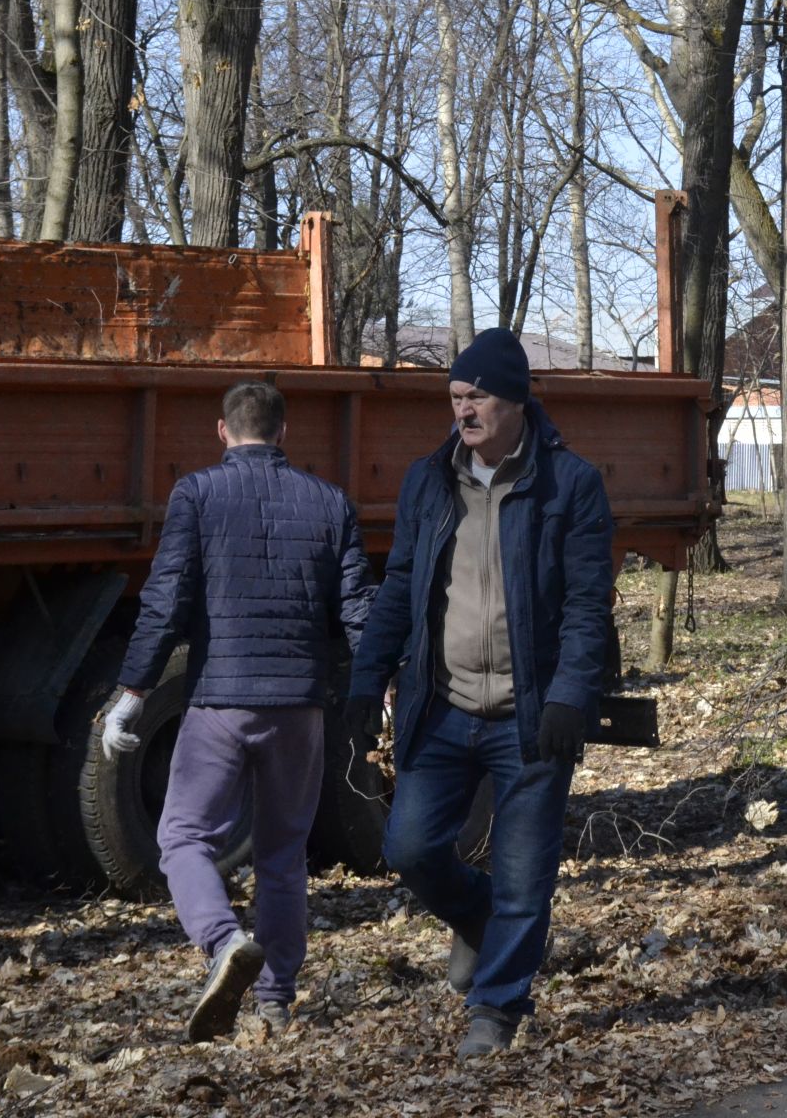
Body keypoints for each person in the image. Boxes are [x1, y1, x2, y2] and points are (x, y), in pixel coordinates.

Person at [344, 327, 615, 1059]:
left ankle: (495, 1009)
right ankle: (484, 929)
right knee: (408, 848)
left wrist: (569, 694)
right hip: (442, 706)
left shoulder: (570, 483)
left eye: (477, 398)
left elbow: (590, 602)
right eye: (456, 398)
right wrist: (368, 679)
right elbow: (400, 587)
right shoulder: (428, 480)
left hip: (531, 717)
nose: (463, 412)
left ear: (517, 401)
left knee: (526, 879)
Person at [101, 380, 374, 1040]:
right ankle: (276, 1000)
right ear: (284, 433)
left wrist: (130, 695)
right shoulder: (330, 501)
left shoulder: (196, 494)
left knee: (183, 839)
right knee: (282, 854)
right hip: (300, 708)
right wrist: (380, 689)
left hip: (219, 701)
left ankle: (224, 941)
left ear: (222, 432)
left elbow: (164, 603)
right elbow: (362, 609)